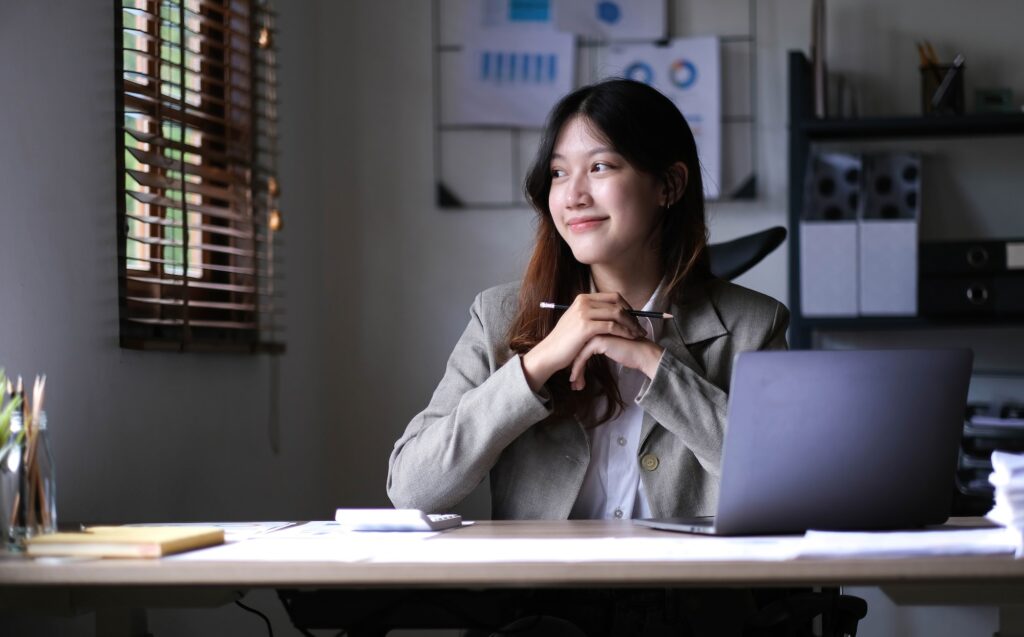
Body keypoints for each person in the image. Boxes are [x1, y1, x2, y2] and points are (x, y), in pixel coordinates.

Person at [387, 78, 789, 523]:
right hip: (545, 592)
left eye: (600, 167)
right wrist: (535, 366)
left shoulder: (753, 325)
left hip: (689, 591)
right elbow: (411, 491)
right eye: (559, 173)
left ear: (668, 186)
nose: (573, 196)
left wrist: (654, 364)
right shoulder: (497, 318)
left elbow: (786, 489)